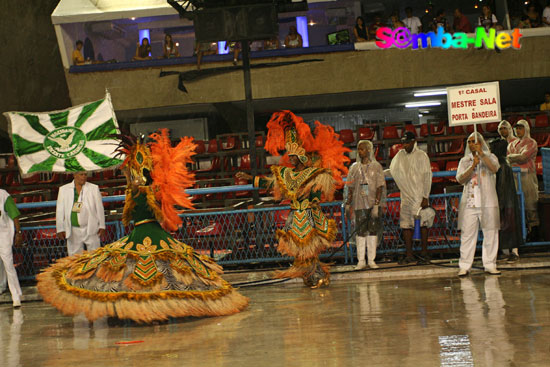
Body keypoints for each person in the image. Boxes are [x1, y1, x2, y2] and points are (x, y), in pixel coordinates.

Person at [38, 130, 249, 322]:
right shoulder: (137, 191)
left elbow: (150, 212)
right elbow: (129, 214)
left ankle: (163, 307)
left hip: (149, 232)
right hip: (139, 232)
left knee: (161, 270)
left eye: (134, 173)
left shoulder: (150, 192)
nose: (131, 177)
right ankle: (151, 309)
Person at [236, 111, 349, 288]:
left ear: (301, 157)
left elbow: (323, 188)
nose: (290, 158)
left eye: (293, 156)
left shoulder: (314, 173)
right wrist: (250, 178)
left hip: (310, 214)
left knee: (310, 249)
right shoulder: (287, 174)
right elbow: (269, 183)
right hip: (296, 215)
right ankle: (310, 274)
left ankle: (316, 274)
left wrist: (312, 196)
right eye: (290, 156)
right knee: (300, 251)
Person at [456, 133, 501, 276]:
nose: (471, 144)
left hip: (487, 202)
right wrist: (472, 166)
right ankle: (464, 265)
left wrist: (481, 155)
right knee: (467, 234)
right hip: (470, 203)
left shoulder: (491, 156)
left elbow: (494, 168)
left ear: (481, 143)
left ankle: (490, 264)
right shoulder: (465, 160)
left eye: (474, 141)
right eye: (469, 142)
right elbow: (460, 179)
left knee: (490, 233)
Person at [386, 132, 433, 265]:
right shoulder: (400, 155)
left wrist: (426, 196)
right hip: (406, 196)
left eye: (407, 142)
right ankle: (409, 254)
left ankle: (424, 254)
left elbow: (427, 175)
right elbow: (393, 170)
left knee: (422, 224)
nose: (404, 145)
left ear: (413, 141)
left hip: (419, 195)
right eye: (403, 142)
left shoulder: (421, 155)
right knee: (406, 225)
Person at [345, 140, 386, 269]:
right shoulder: (354, 167)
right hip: (359, 204)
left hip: (373, 203)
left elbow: (380, 187)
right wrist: (347, 203)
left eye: (362, 149)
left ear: (369, 150)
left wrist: (376, 205)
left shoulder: (376, 167)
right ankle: (361, 260)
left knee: (373, 230)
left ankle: (371, 260)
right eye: (358, 149)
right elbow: (350, 187)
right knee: (360, 232)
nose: (359, 151)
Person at [489, 121, 524, 262]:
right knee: (510, 223)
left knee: (507, 224)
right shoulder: (504, 163)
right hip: (508, 201)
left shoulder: (501, 165)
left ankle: (511, 251)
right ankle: (510, 251)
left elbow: (501, 188)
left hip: (505, 201)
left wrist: (500, 202)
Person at [56, 172, 105, 256]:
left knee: (95, 256)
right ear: (74, 175)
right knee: (74, 258)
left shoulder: (94, 188)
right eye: (81, 174)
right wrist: (60, 228)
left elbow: (99, 208)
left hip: (91, 227)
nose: (84, 177)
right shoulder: (64, 189)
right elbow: (60, 210)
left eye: (85, 175)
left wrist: (102, 225)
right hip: (73, 229)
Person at [508, 120, 540, 241]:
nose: (518, 130)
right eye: (516, 128)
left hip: (527, 176)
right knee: (518, 205)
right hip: (515, 177)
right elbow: (511, 158)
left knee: (530, 203)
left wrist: (511, 158)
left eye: (520, 128)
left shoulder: (532, 143)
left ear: (526, 129)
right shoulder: (512, 144)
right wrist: (513, 158)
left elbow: (523, 157)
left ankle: (534, 232)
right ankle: (523, 233)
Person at [0, 189, 23, 307]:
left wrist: (18, 232)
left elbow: (14, 214)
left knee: (8, 265)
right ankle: (1, 287)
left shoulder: (3, 195)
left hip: (2, 236)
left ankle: (16, 295)